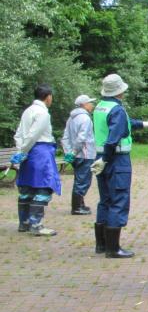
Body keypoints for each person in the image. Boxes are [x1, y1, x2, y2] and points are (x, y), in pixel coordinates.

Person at [90, 74, 148, 258]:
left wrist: (142, 124)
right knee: (118, 199)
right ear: (120, 91)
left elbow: (121, 125)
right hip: (116, 159)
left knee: (104, 200)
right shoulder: (117, 109)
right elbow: (114, 137)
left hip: (101, 159)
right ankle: (113, 249)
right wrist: (106, 158)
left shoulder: (100, 107)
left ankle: (101, 245)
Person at [12, 85, 61, 236]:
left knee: (27, 187)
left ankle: (24, 223)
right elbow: (34, 135)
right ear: (48, 97)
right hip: (40, 152)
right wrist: (24, 150)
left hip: (28, 153)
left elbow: (19, 134)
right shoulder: (42, 113)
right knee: (43, 187)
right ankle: (36, 225)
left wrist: (21, 151)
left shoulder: (28, 111)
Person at [61, 94, 96, 215]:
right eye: (90, 103)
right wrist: (75, 151)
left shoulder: (71, 118)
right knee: (83, 181)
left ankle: (80, 204)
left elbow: (65, 137)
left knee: (79, 180)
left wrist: (68, 153)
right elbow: (82, 138)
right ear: (84, 105)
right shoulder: (85, 118)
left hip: (74, 155)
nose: (92, 105)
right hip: (85, 155)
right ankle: (76, 207)